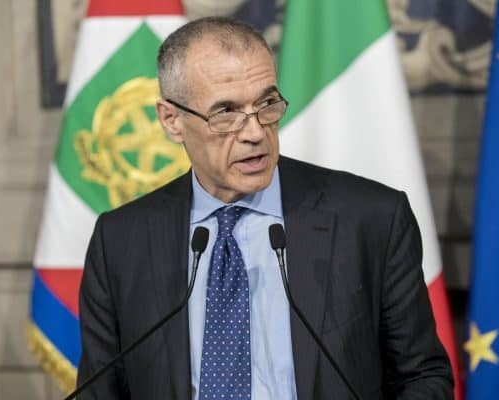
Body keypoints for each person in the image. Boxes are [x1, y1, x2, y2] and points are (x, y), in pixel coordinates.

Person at [77, 17, 453, 400]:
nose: (255, 132)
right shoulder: (120, 241)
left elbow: (423, 377)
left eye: (267, 104)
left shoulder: (371, 219)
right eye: (225, 112)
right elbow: (100, 390)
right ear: (172, 121)